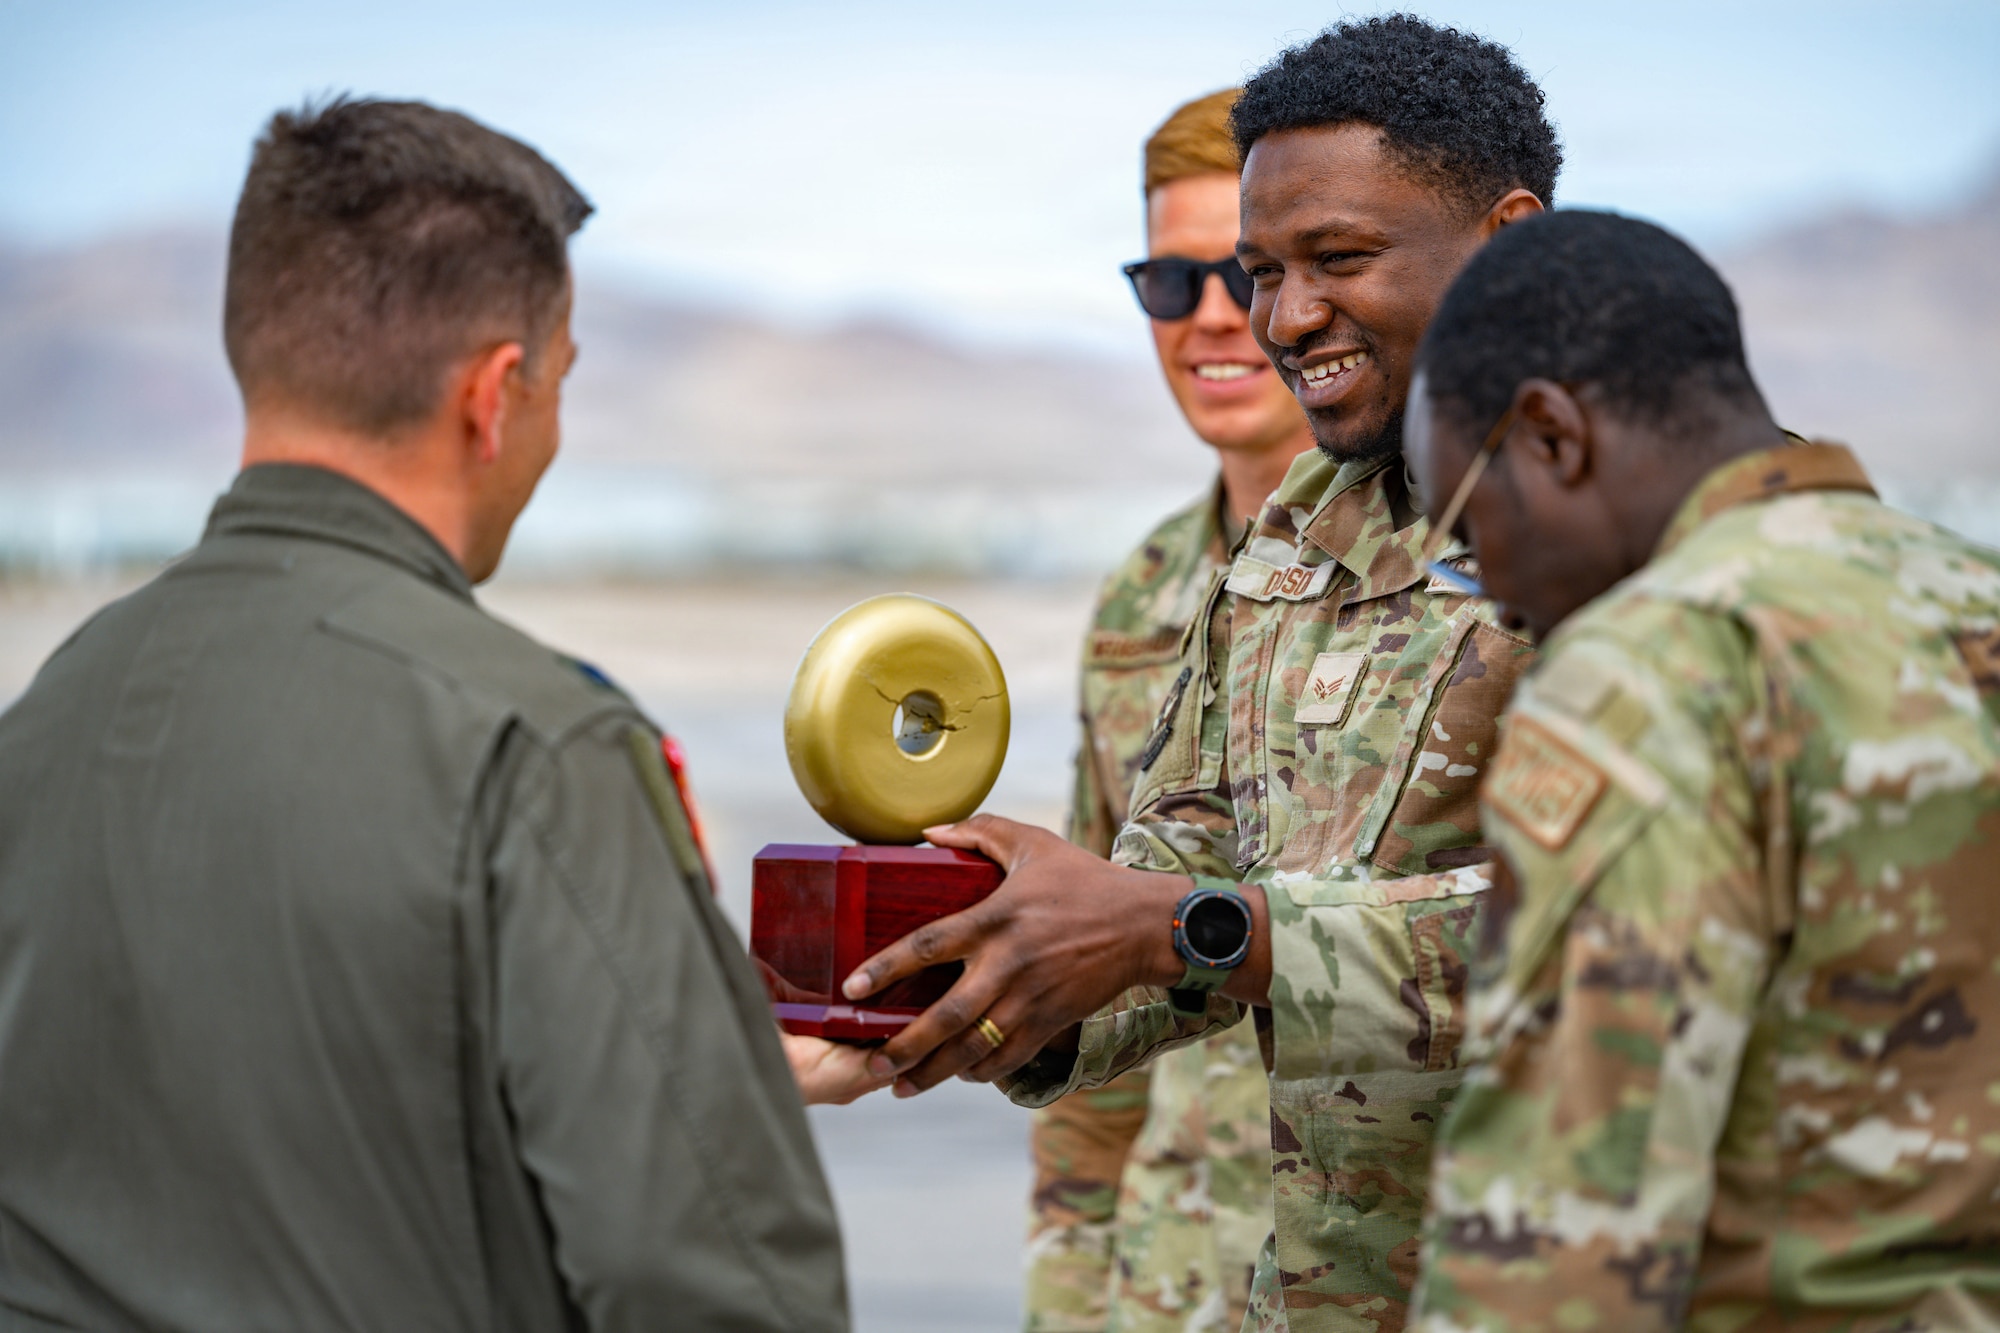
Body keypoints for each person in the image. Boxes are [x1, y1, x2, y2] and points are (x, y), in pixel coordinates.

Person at [0, 98, 872, 1332]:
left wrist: (703, 1081)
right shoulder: (534, 748)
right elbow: (711, 1282)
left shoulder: (48, 717)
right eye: (559, 380)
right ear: (495, 394)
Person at [844, 16, 1557, 1331]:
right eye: (1249, 269)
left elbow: (1618, 936)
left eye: (1332, 261)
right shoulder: (1297, 538)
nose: (1276, 318)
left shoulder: (1649, 522)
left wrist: (1182, 928)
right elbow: (1178, 852)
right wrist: (985, 980)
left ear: (1507, 245)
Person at [1401, 211, 2000, 1330]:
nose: (1493, 593)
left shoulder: (1655, 669)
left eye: (1469, 536)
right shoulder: (1971, 593)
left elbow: (1558, 1243)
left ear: (1548, 435)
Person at [1027, 88, 1316, 1333]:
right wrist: (1068, 1291)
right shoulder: (1144, 591)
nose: (1208, 318)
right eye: (1167, 281)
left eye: (1240, 273)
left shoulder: (1477, 572)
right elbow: (1082, 968)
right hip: (1165, 1285)